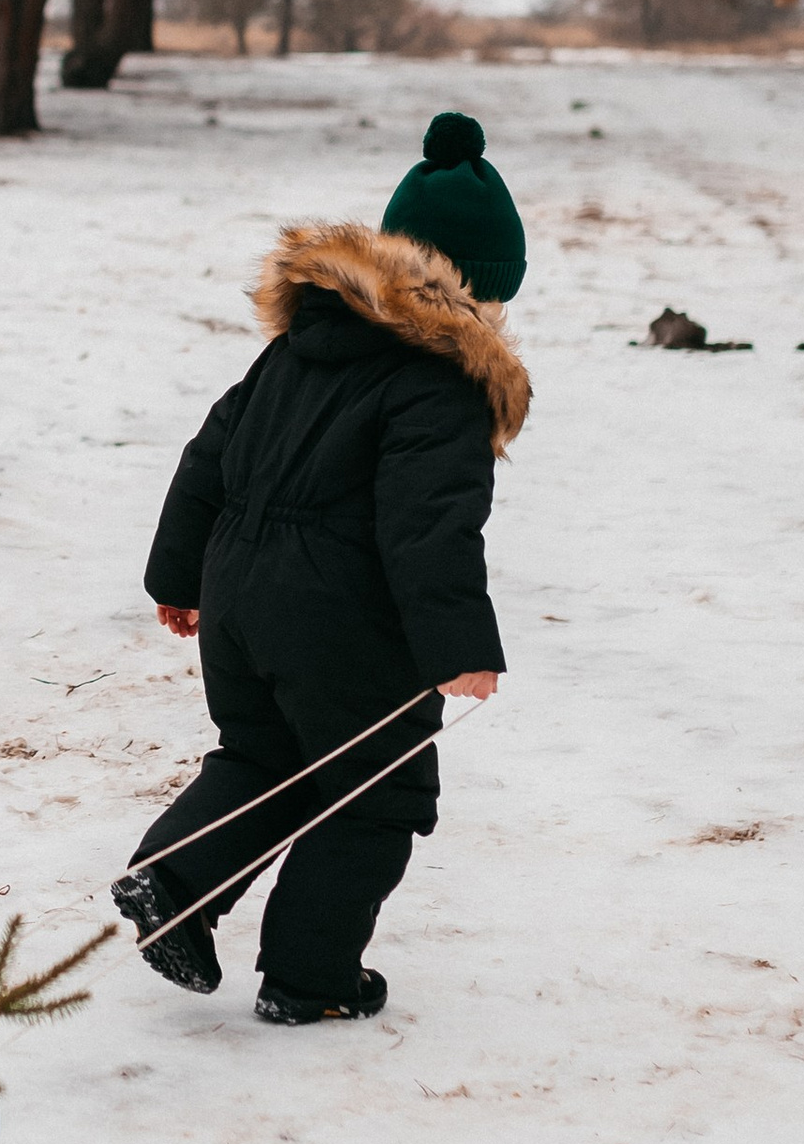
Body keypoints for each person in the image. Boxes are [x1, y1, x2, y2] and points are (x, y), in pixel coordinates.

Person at [112, 110, 531, 1025]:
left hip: (237, 599)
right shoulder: (442, 385)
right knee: (378, 793)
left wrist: (177, 581)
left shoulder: (298, 343)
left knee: (264, 753)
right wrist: (459, 644)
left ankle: (173, 882)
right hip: (341, 620)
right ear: (476, 293)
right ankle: (311, 979)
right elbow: (428, 529)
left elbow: (206, 458)